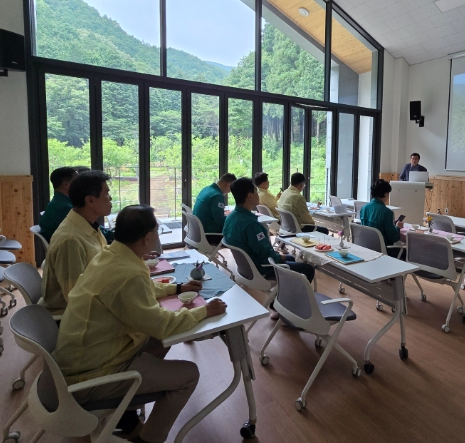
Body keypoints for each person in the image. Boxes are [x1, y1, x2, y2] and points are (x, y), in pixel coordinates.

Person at [53, 205, 226, 443]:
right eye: (157, 230)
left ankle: (127, 419)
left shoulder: (109, 255)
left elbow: (142, 291)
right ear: (147, 239)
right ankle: (149, 439)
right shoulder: (129, 274)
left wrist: (177, 288)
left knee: (158, 341)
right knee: (188, 374)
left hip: (83, 359)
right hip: (91, 377)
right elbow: (162, 325)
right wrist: (204, 311)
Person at [223, 177, 315, 318]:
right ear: (250, 196)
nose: (258, 194)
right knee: (307, 269)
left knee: (291, 259)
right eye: (256, 192)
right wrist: (280, 257)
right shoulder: (251, 225)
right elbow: (265, 255)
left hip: (245, 269)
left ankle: (279, 303)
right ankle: (290, 310)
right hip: (262, 268)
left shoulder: (230, 218)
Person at [39, 170, 113, 315]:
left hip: (96, 297)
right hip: (69, 316)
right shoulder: (71, 240)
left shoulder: (86, 224)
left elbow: (103, 258)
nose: (110, 198)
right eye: (106, 193)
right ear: (90, 200)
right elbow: (76, 298)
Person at [360, 179, 405, 259]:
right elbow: (394, 237)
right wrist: (397, 227)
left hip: (366, 247)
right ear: (385, 194)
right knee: (406, 252)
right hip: (382, 250)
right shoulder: (387, 212)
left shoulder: (364, 208)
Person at [192, 173, 236, 244]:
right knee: (238, 234)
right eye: (230, 189)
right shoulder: (217, 196)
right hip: (209, 235)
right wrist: (233, 217)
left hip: (197, 232)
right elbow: (220, 220)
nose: (229, 192)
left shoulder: (206, 189)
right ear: (228, 185)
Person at [39, 166, 78, 242]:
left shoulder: (59, 202)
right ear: (66, 184)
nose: (81, 184)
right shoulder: (63, 207)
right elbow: (86, 229)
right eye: (77, 181)